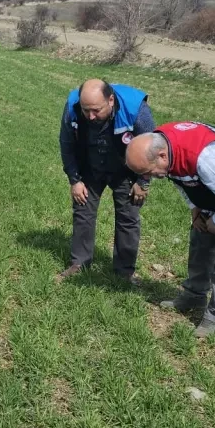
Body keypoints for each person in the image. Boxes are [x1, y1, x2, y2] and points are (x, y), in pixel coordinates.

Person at [124, 121, 215, 336]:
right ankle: (194, 295)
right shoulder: (164, 148)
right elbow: (179, 179)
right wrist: (195, 208)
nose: (148, 178)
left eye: (148, 172)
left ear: (163, 156)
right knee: (200, 241)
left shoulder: (204, 157)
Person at [57, 78, 156, 283]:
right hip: (90, 165)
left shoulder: (135, 108)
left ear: (111, 100)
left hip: (125, 168)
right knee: (83, 211)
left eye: (96, 110)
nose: (90, 116)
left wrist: (143, 181)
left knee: (128, 216)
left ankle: (124, 272)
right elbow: (66, 144)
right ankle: (79, 264)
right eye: (86, 111)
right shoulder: (73, 105)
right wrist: (74, 180)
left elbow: (152, 147)